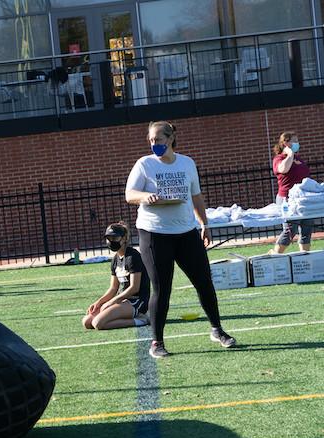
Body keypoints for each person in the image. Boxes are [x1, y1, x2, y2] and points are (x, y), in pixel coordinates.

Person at [125, 121, 236, 358]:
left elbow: (196, 196)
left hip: (186, 233)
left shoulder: (187, 163)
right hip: (154, 234)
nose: (155, 144)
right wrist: (146, 196)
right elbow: (130, 194)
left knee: (204, 282)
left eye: (159, 139)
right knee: (162, 289)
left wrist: (204, 224)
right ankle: (157, 342)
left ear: (171, 138)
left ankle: (217, 329)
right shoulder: (144, 164)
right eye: (151, 140)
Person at [82, 223, 150, 330]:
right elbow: (113, 288)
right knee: (87, 322)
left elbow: (134, 288)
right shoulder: (115, 259)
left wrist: (112, 302)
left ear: (124, 239)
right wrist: (99, 302)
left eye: (115, 237)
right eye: (108, 238)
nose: (111, 241)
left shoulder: (133, 256)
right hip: (122, 300)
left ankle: (141, 320)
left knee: (98, 323)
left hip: (136, 301)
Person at [269, 131, 313, 254]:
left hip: (303, 198)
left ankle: (305, 257)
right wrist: (289, 154)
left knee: (307, 228)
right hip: (287, 199)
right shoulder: (279, 159)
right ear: (286, 143)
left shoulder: (298, 158)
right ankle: (276, 254)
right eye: (294, 141)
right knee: (290, 230)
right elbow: (284, 169)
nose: (297, 144)